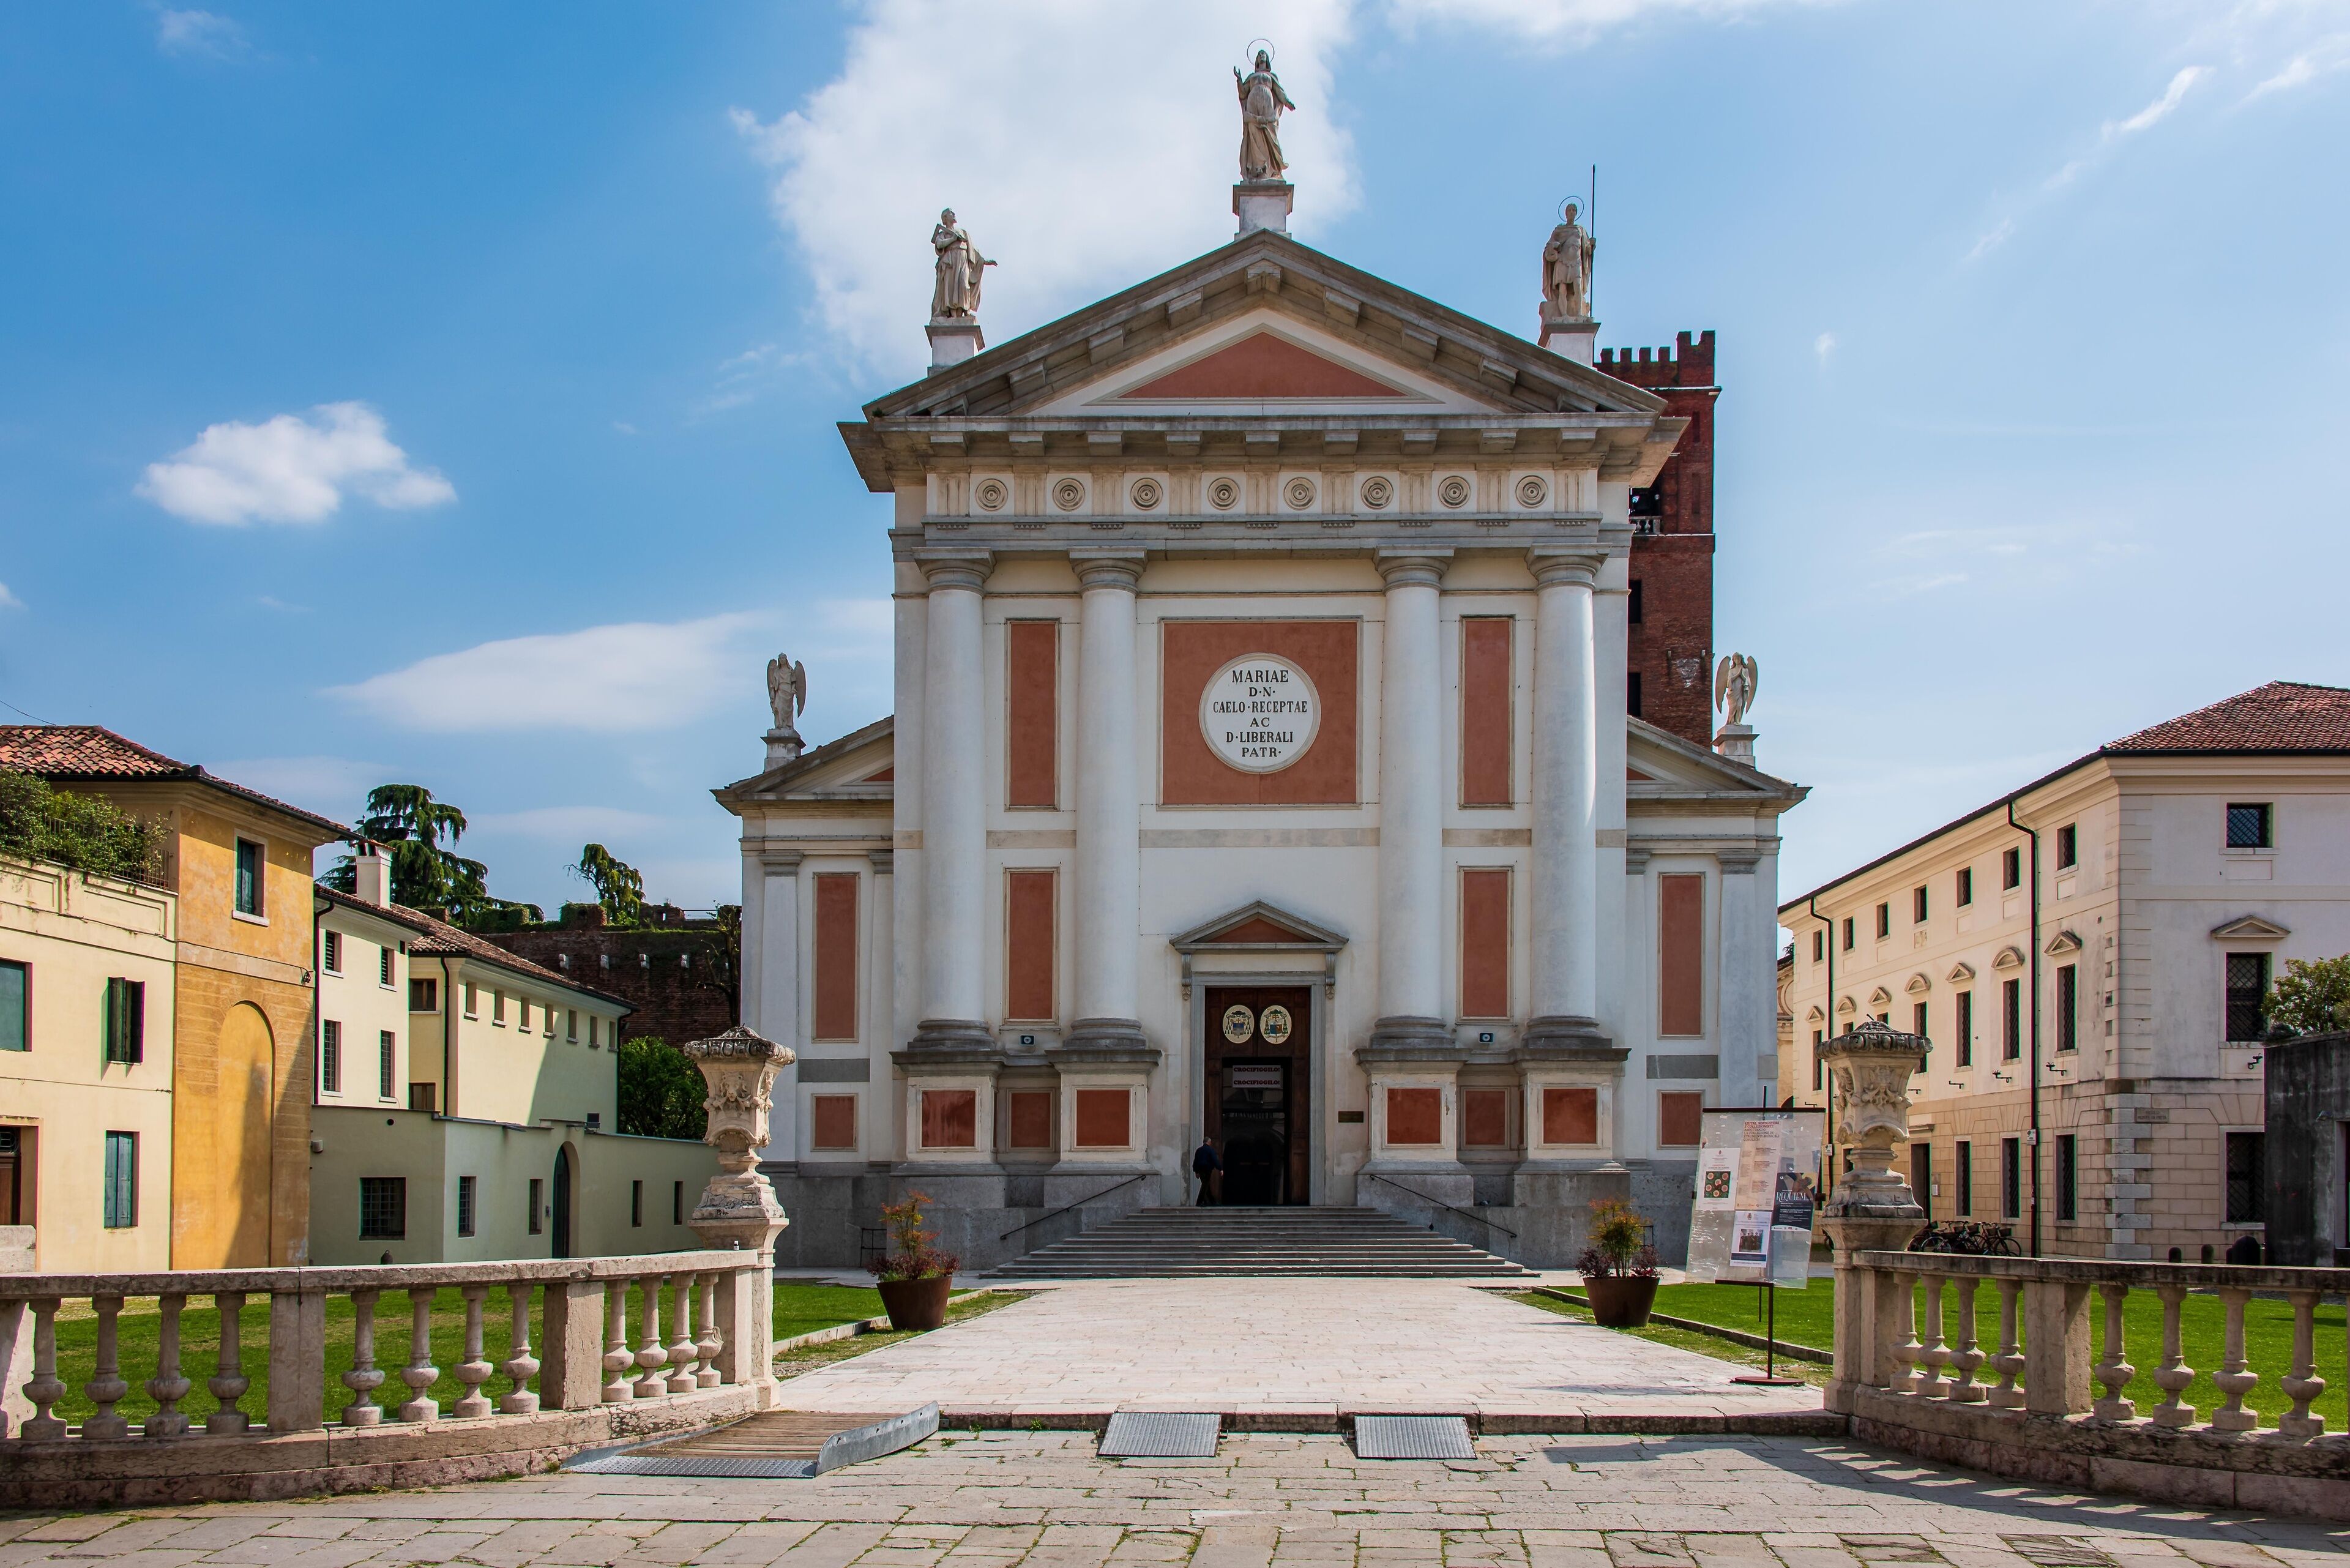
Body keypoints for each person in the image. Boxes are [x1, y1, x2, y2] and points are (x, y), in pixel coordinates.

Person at [1191, 1137, 1221, 1206]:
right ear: (1209, 1142)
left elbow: (1195, 1161)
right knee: (1205, 1186)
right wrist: (1220, 1169)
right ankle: (1199, 1202)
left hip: (1200, 1170)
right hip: (1207, 1170)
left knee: (1206, 1185)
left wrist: (1196, 1172)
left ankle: (1212, 1201)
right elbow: (1215, 1160)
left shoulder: (1198, 1150)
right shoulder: (1210, 1150)